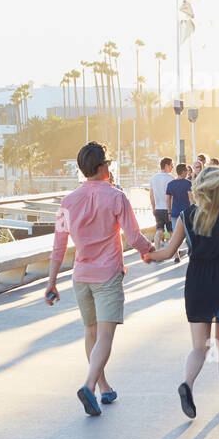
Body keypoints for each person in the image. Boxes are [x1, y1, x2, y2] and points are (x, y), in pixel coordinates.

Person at [46, 142, 154, 417]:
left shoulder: (68, 202)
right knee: (105, 336)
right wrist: (150, 251)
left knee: (91, 332)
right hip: (107, 275)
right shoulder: (116, 197)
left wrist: (51, 282)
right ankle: (89, 385)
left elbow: (59, 245)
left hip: (80, 276)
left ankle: (104, 386)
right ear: (103, 167)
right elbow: (133, 236)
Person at [146, 166, 219, 417]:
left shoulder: (185, 216)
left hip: (197, 283)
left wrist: (149, 255)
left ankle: (187, 384)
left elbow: (169, 252)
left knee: (199, 347)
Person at [165, 163, 193, 264]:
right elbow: (191, 198)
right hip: (186, 213)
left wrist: (169, 212)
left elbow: (168, 200)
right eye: (186, 171)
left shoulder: (170, 184)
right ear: (183, 172)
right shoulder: (188, 183)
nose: (187, 173)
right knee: (189, 234)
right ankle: (191, 255)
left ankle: (176, 256)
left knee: (175, 236)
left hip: (174, 213)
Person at [149, 157, 175, 250]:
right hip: (168, 209)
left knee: (159, 230)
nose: (172, 167)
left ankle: (157, 251)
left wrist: (153, 208)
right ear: (167, 166)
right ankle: (176, 254)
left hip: (158, 209)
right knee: (171, 231)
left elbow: (151, 195)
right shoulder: (171, 178)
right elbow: (173, 195)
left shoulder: (153, 178)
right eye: (172, 165)